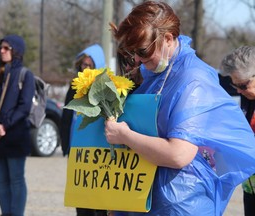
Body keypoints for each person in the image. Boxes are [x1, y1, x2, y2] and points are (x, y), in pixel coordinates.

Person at [104, 1, 255, 216]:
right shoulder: (155, 74)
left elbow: (178, 154)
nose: (137, 59)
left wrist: (125, 135)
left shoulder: (192, 79)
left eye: (143, 50)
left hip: (181, 205)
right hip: (147, 201)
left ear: (167, 38)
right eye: (132, 52)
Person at [0, 34, 35, 216]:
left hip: (15, 136)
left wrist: (3, 127)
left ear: (17, 51)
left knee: (16, 179)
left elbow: (24, 107)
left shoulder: (25, 75)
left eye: (7, 48)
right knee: (2, 180)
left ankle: (16, 213)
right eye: (1, 48)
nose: (2, 51)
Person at [60, 44, 107, 216]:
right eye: (83, 65)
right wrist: (66, 145)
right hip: (77, 146)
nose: (85, 68)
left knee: (99, 196)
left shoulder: (105, 86)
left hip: (96, 148)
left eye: (90, 65)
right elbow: (66, 116)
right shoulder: (74, 86)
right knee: (80, 194)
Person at [220, 46, 255, 216]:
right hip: (250, 188)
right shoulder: (247, 96)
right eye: (235, 86)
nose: (239, 91)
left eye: (242, 85)